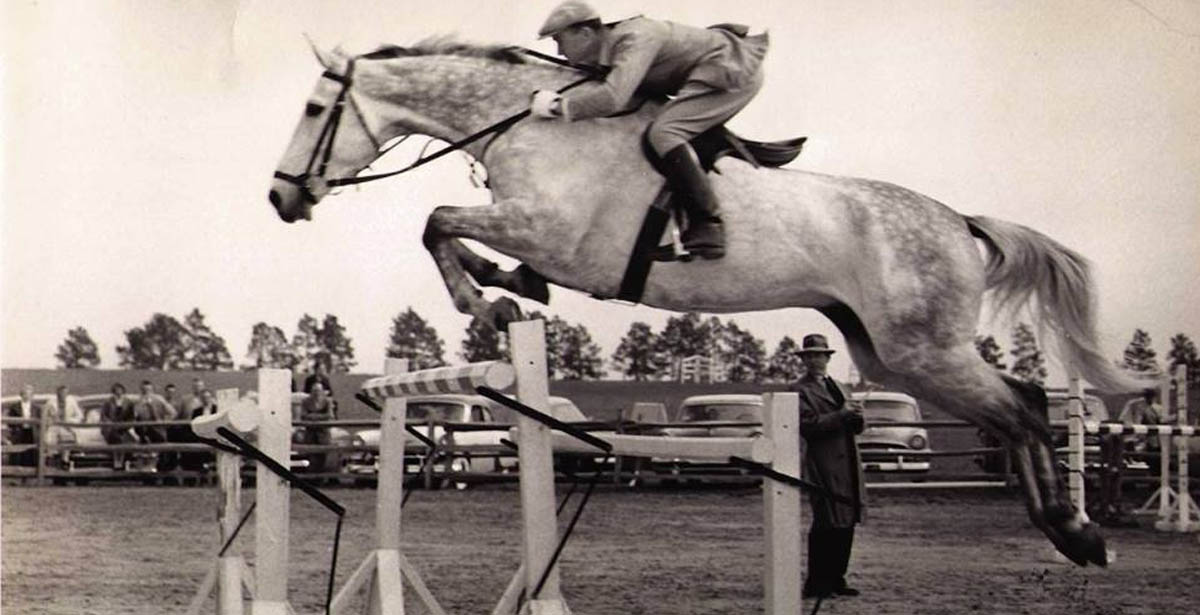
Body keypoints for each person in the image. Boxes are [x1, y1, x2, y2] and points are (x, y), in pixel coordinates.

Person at [530, 1, 769, 260]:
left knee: (664, 133)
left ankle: (709, 224)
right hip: (713, 69)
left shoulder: (634, 37)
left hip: (730, 70)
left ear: (585, 34)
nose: (560, 51)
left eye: (559, 41)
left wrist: (557, 106)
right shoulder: (617, 44)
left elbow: (613, 98)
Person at [790, 334, 866, 600]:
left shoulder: (842, 387)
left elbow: (855, 426)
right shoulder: (799, 390)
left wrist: (857, 417)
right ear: (803, 360)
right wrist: (840, 416)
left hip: (848, 463)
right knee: (826, 520)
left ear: (827, 357)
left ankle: (837, 578)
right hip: (823, 461)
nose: (814, 359)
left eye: (818, 354)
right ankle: (817, 583)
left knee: (847, 520)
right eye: (808, 355)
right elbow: (806, 425)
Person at [1095, 388, 1163, 527]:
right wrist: (1137, 436)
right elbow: (1136, 421)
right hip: (1128, 435)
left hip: (1144, 436)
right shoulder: (1137, 404)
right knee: (1126, 462)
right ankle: (1123, 491)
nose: (1151, 399)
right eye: (1149, 396)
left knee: (1153, 459)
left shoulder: (1153, 406)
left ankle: (1153, 484)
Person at [297, 382, 337, 473]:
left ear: (322, 391)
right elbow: (303, 415)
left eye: (319, 390)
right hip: (310, 432)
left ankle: (322, 476)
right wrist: (320, 416)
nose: (316, 393)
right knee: (310, 455)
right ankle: (311, 476)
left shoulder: (327, 401)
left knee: (323, 455)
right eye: (314, 390)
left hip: (323, 432)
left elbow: (330, 415)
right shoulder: (306, 401)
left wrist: (313, 416)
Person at [42, 385, 84, 467]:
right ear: (57, 393)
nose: (63, 395)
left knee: (69, 440)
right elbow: (44, 415)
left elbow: (80, 416)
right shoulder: (51, 402)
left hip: (68, 426)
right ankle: (51, 460)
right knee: (49, 439)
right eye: (60, 393)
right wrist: (50, 420)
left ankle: (66, 460)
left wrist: (70, 421)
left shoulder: (72, 401)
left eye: (65, 393)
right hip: (55, 426)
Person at [100, 383, 136, 469]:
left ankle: (121, 461)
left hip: (124, 428)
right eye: (116, 391)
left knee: (127, 439)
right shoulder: (108, 402)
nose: (118, 392)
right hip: (111, 428)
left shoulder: (128, 402)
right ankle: (117, 461)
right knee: (116, 438)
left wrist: (126, 425)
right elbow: (104, 416)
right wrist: (110, 424)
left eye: (120, 390)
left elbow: (132, 417)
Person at [4, 385, 41, 466]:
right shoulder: (14, 407)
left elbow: (40, 421)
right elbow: (10, 421)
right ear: (21, 395)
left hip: (32, 432)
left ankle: (31, 469)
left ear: (32, 396)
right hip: (19, 431)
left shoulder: (37, 408)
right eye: (24, 394)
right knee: (19, 452)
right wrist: (15, 428)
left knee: (31, 451)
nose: (26, 396)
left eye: (29, 394)